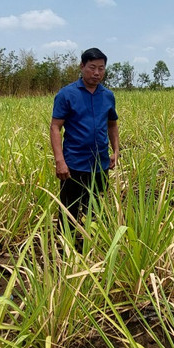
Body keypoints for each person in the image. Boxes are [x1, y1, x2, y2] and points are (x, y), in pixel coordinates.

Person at [50, 48, 120, 250]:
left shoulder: (108, 96)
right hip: (73, 164)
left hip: (100, 165)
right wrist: (60, 160)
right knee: (69, 210)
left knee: (96, 209)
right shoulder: (66, 94)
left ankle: (92, 249)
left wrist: (115, 151)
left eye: (101, 68)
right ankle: (66, 253)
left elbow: (112, 124)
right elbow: (55, 127)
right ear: (82, 67)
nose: (97, 73)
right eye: (92, 68)